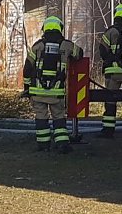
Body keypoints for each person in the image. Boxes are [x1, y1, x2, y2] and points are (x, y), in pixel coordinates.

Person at [22, 16, 83, 153]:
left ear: (45, 29)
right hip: (56, 92)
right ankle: (62, 144)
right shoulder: (66, 45)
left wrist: (27, 88)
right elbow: (80, 54)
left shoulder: (37, 46)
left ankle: (44, 145)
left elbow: (27, 68)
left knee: (41, 117)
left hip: (37, 91)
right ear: (59, 29)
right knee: (59, 117)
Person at [98, 3, 122, 138]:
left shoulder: (110, 32)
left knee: (110, 100)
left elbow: (102, 50)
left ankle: (108, 130)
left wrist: (110, 60)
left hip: (113, 73)